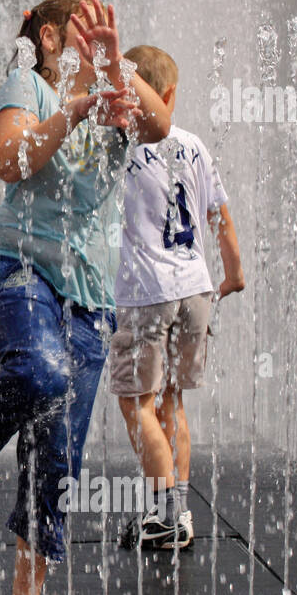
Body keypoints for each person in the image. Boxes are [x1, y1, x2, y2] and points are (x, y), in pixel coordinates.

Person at [0, 0, 171, 595]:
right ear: (55, 38)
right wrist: (71, 111)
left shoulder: (118, 98)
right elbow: (10, 159)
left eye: (104, 39)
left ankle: (28, 594)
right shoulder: (28, 84)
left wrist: (117, 71)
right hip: (14, 272)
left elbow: (162, 125)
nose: (94, 50)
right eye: (85, 36)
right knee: (40, 372)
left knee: (59, 454)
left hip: (88, 298)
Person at [107, 45, 244, 551]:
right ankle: (177, 514)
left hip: (148, 294)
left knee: (136, 402)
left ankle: (165, 519)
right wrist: (233, 273)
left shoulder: (122, 145)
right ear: (166, 95)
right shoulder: (194, 145)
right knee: (172, 402)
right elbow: (220, 219)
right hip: (196, 289)